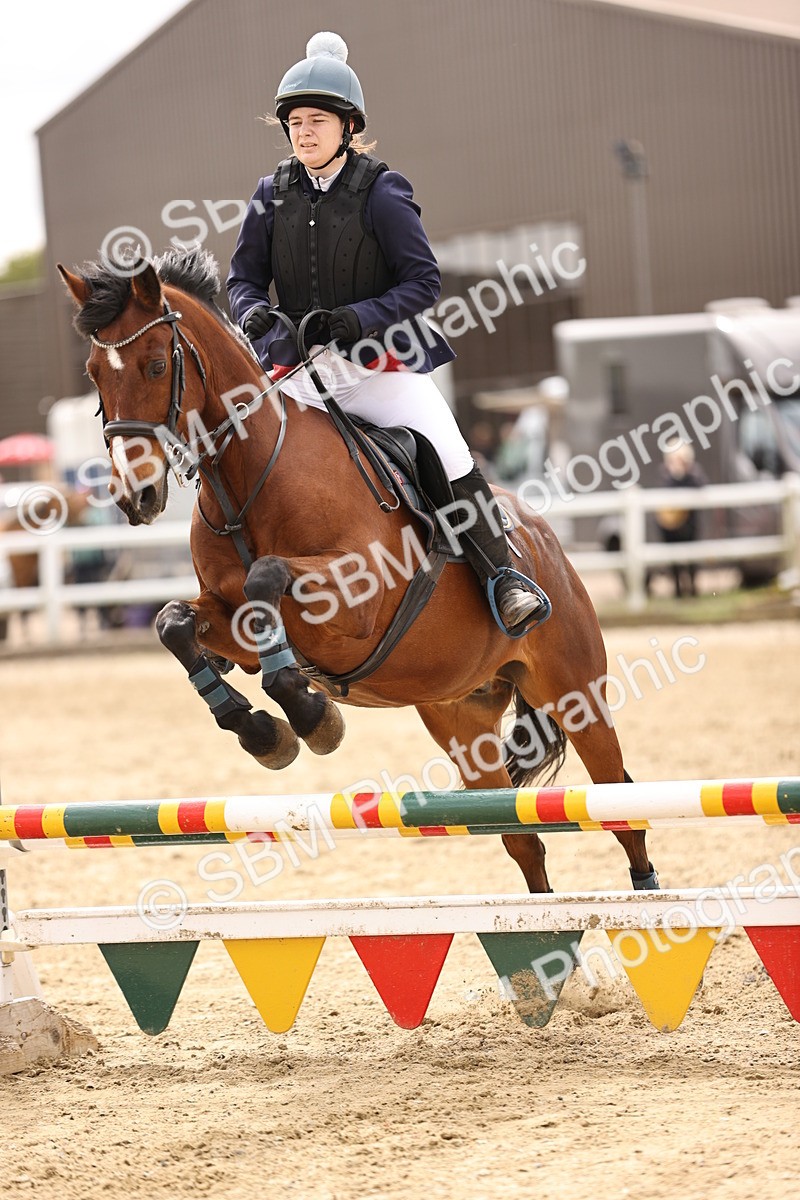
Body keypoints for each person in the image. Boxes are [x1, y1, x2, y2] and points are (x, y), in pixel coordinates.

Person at [226, 31, 548, 634]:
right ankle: (229, 595)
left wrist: (356, 319)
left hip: (377, 367)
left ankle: (502, 577)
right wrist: (253, 315)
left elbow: (422, 282)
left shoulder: (382, 191)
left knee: (447, 451)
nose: (303, 132)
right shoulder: (270, 196)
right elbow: (242, 280)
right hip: (298, 375)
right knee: (237, 450)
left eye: (317, 120)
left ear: (348, 125)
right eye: (294, 122)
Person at [654, 440, 707, 598]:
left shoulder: (694, 475)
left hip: (689, 524)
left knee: (692, 559)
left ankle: (692, 587)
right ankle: (677, 588)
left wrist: (686, 472)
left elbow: (701, 487)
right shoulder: (665, 475)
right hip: (670, 527)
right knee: (674, 561)